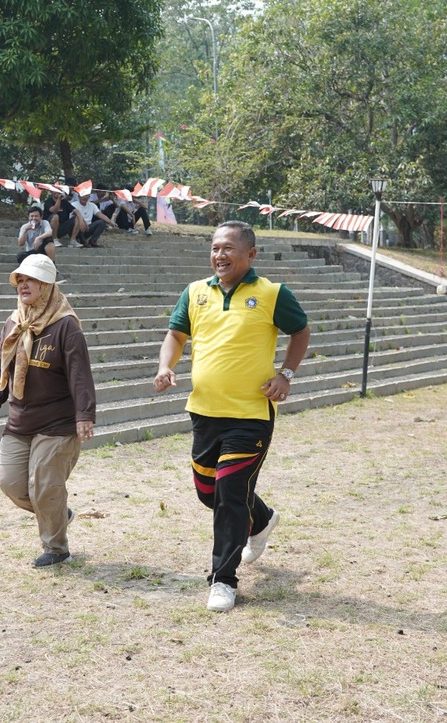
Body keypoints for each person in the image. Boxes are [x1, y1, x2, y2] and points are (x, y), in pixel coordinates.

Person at [153, 221, 310, 612]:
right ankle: (263, 517)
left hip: (251, 415)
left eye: (228, 248)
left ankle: (223, 579)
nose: (219, 255)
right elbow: (176, 334)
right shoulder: (194, 293)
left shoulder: (272, 294)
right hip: (204, 412)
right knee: (209, 494)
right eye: (215, 248)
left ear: (250, 254)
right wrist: (166, 365)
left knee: (228, 496)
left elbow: (301, 331)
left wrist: (285, 374)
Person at [0, 254, 96, 567]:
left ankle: (56, 549)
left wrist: (84, 415)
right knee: (11, 484)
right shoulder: (14, 322)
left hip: (58, 423)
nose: (23, 285)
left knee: (44, 486)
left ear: (46, 286)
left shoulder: (65, 326)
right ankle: (58, 512)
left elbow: (80, 373)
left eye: (30, 280)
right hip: (20, 420)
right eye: (20, 280)